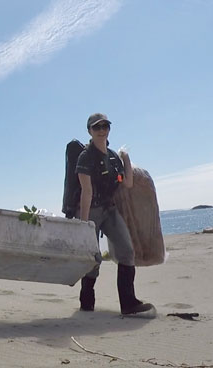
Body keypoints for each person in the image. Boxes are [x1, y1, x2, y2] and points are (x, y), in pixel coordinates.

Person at [76, 113, 154, 316]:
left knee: (127, 251)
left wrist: (126, 158)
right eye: (97, 127)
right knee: (93, 259)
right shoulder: (85, 157)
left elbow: (127, 183)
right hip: (91, 210)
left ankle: (128, 304)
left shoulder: (113, 157)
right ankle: (87, 301)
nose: (101, 130)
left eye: (105, 126)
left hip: (109, 209)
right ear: (89, 131)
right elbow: (87, 192)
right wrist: (84, 225)